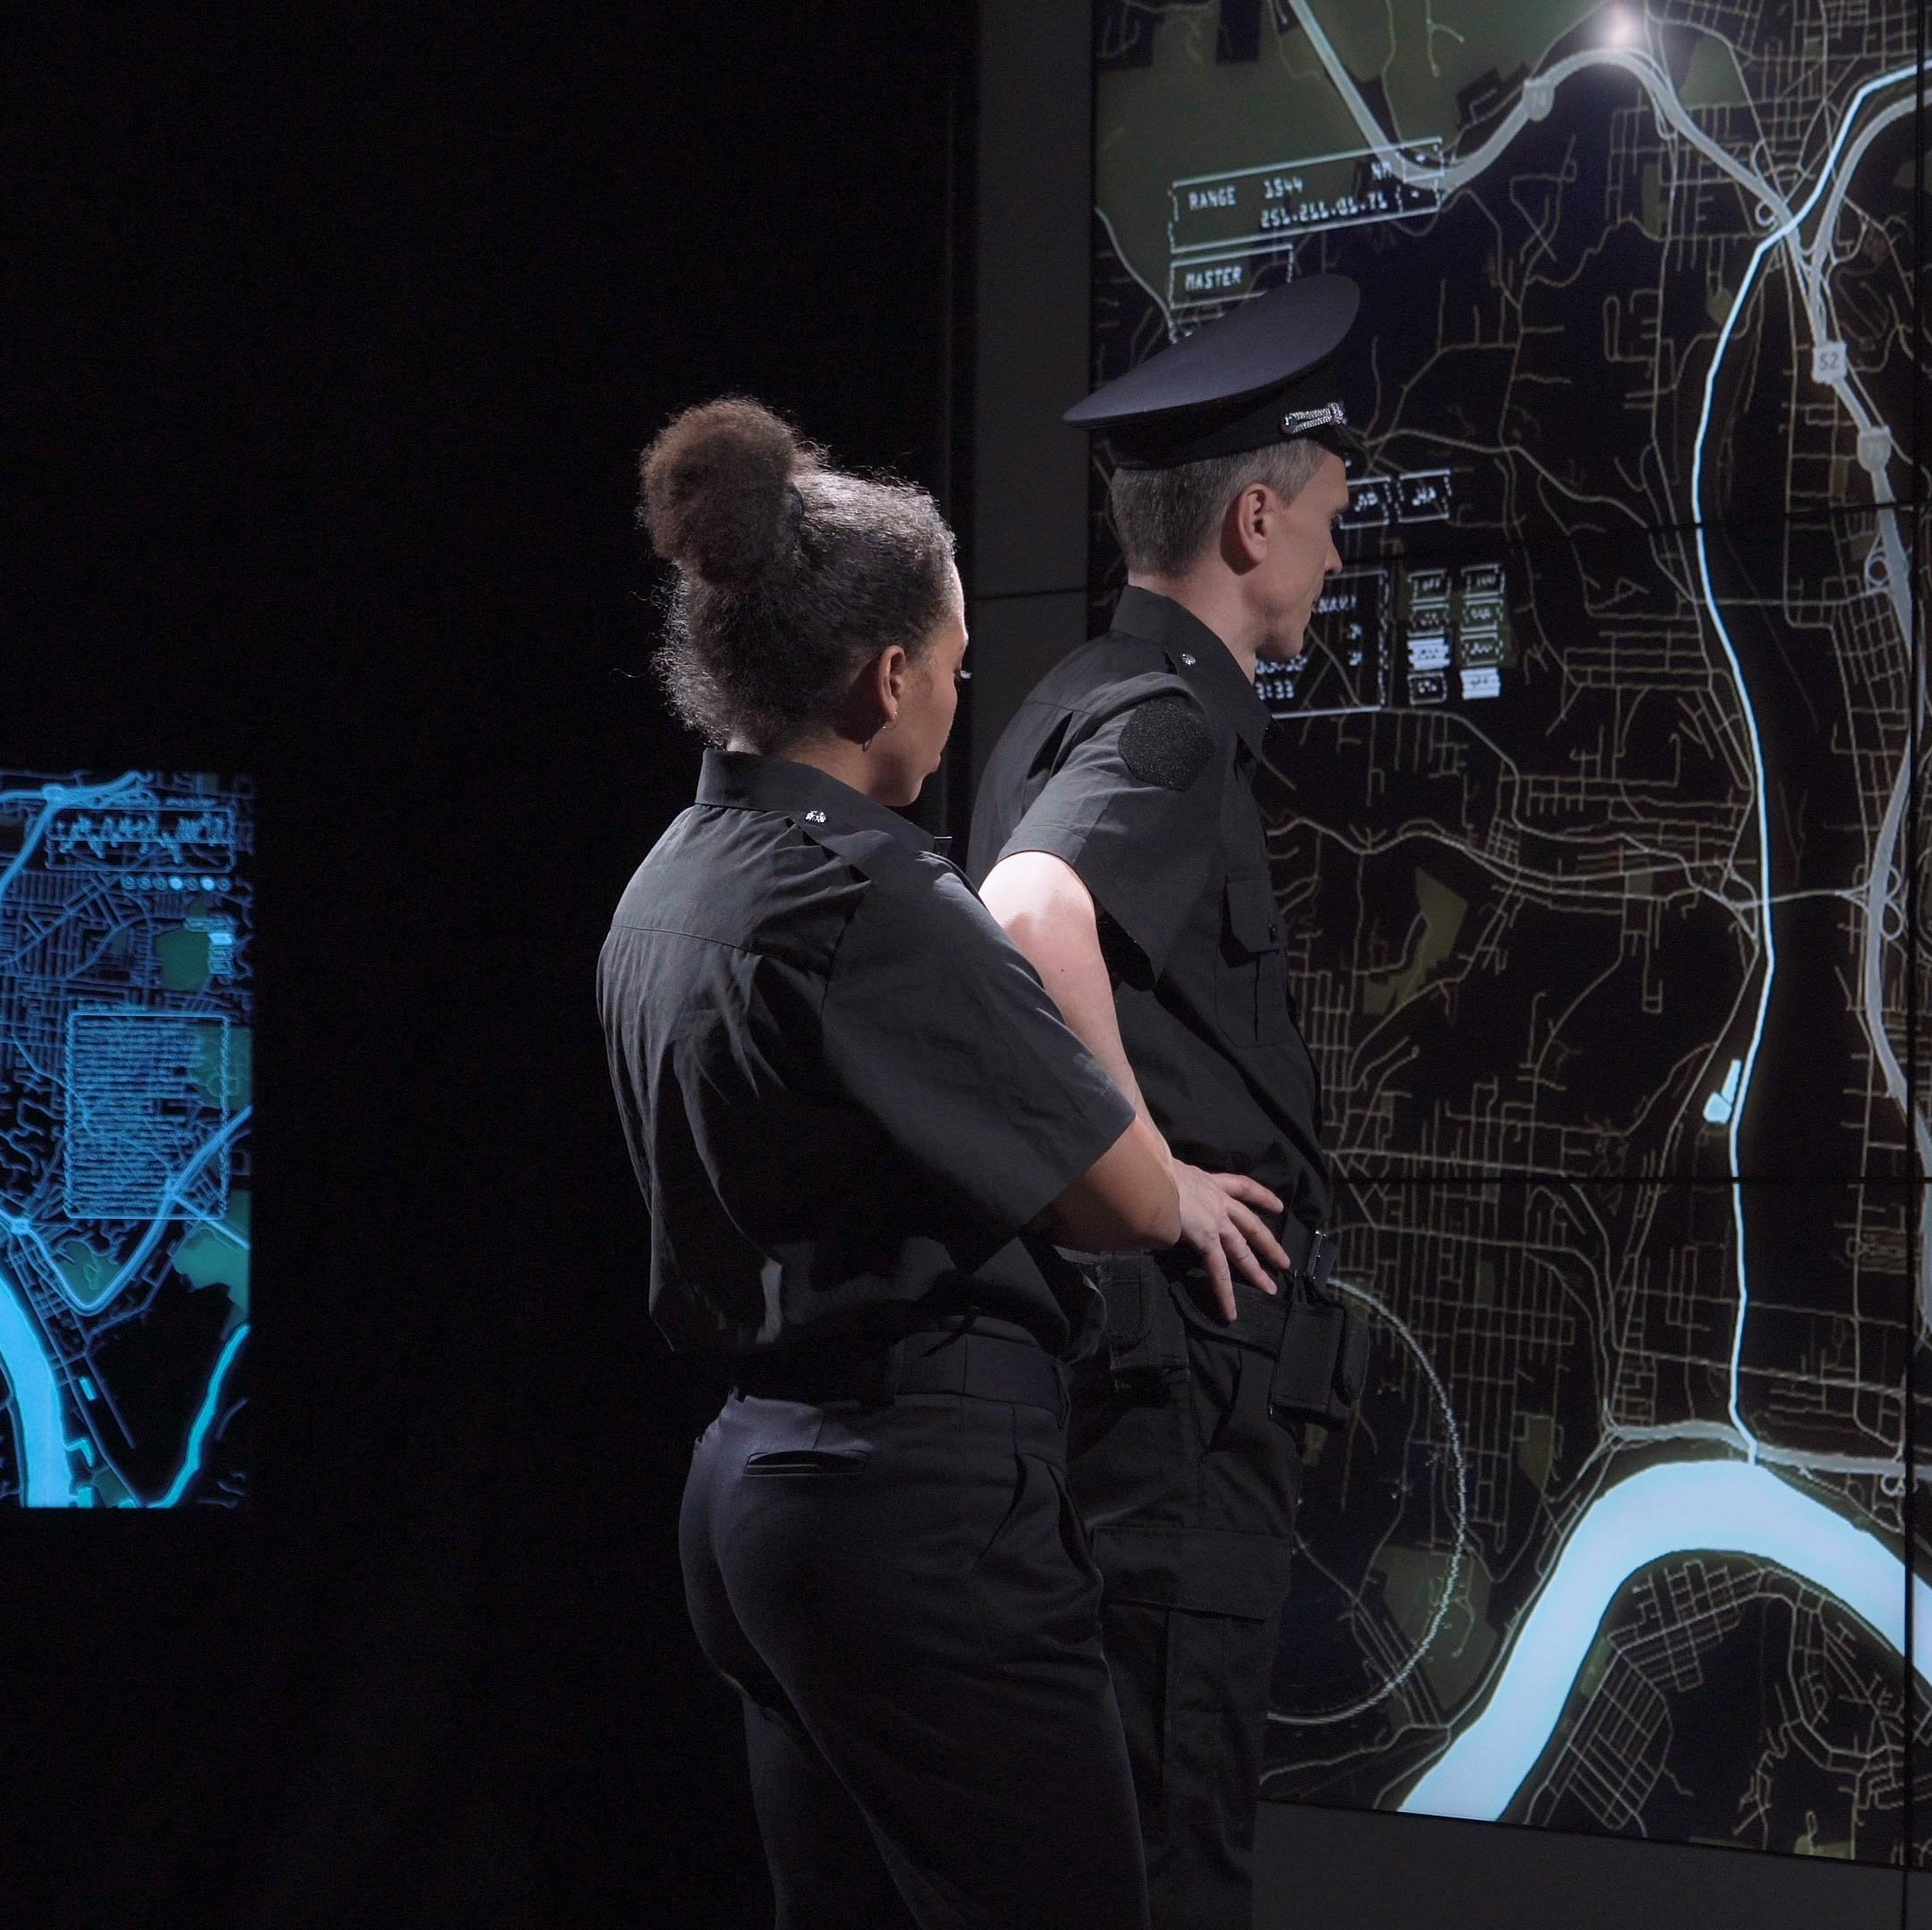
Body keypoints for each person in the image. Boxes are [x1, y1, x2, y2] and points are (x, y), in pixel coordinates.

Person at [599, 397, 1199, 1929]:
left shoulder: (667, 882)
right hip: (917, 1511)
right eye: (950, 661)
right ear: (886, 677)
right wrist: (1173, 1170)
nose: (959, 686)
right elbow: (1124, 1201)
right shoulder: (868, 899)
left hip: (752, 1496)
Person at [966, 273, 1375, 1930]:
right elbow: (1032, 913)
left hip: (1119, 1393)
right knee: (1173, 1835)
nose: (1341, 560)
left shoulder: (1069, 693)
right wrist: (1160, 1184)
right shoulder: (1166, 722)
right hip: (1172, 1403)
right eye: (1332, 523)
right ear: (1255, 521)